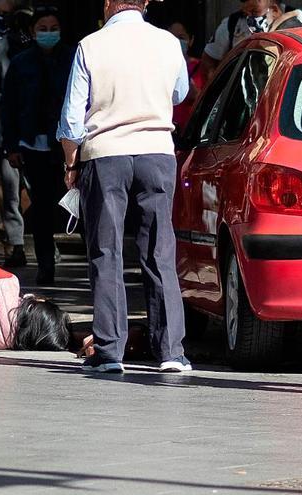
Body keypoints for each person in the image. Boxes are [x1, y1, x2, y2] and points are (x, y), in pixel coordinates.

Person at [57, 0, 191, 373]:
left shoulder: (91, 45)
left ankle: (110, 351)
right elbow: (179, 93)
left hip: (105, 155)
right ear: (145, 3)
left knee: (106, 251)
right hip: (157, 153)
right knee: (160, 252)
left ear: (106, 5)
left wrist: (71, 164)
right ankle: (170, 352)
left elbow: (71, 120)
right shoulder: (168, 43)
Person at [1, 6, 73, 284]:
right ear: (33, 32)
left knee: (72, 203)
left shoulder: (71, 58)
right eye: (42, 29)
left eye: (53, 28)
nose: (48, 33)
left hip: (66, 145)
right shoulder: (21, 63)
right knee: (41, 208)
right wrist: (12, 146)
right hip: (33, 146)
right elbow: (9, 106)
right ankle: (45, 266)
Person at [0, 4, 33, 269]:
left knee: (36, 194)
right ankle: (17, 245)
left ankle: (44, 242)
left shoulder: (47, 57)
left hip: (40, 137)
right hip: (7, 135)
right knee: (11, 194)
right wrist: (11, 99)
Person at [200, 0, 269, 82]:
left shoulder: (286, 20)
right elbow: (208, 61)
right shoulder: (232, 23)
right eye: (243, 1)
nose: (245, 8)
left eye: (254, 11)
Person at [169, 20, 206, 132]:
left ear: (191, 40)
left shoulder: (201, 68)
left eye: (181, 37)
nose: (177, 42)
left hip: (190, 133)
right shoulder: (159, 67)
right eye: (172, 37)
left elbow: (206, 100)